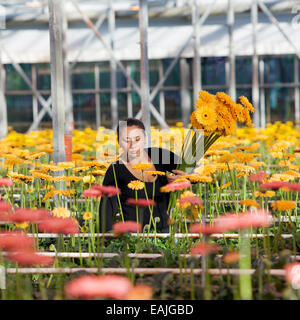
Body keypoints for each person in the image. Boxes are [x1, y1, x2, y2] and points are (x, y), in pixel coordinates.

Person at [98, 118, 186, 233]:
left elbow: (193, 170)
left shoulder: (160, 156)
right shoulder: (116, 170)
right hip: (135, 240)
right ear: (118, 141)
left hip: (165, 235)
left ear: (145, 139)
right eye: (127, 140)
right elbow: (106, 212)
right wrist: (107, 242)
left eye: (137, 139)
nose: (132, 145)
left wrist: (184, 178)